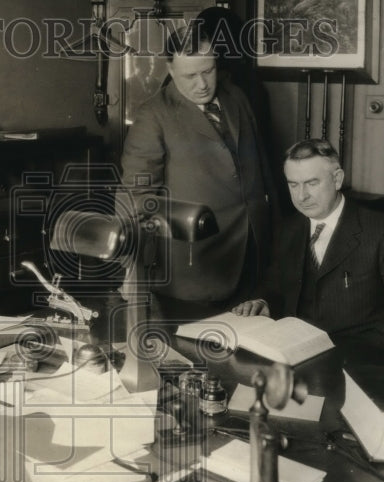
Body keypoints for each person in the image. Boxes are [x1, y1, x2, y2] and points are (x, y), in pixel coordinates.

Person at [117, 26, 273, 319]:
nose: (202, 84)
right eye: (190, 76)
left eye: (208, 70)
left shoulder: (236, 97)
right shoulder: (153, 115)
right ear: (171, 70)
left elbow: (261, 167)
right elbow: (136, 195)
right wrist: (132, 264)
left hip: (250, 252)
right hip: (194, 264)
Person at [233, 139, 384, 351]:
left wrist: (346, 356)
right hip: (295, 351)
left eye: (312, 183)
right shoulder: (289, 229)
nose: (301, 196)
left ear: (337, 179)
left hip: (361, 358)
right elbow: (276, 286)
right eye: (293, 184)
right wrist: (264, 302)